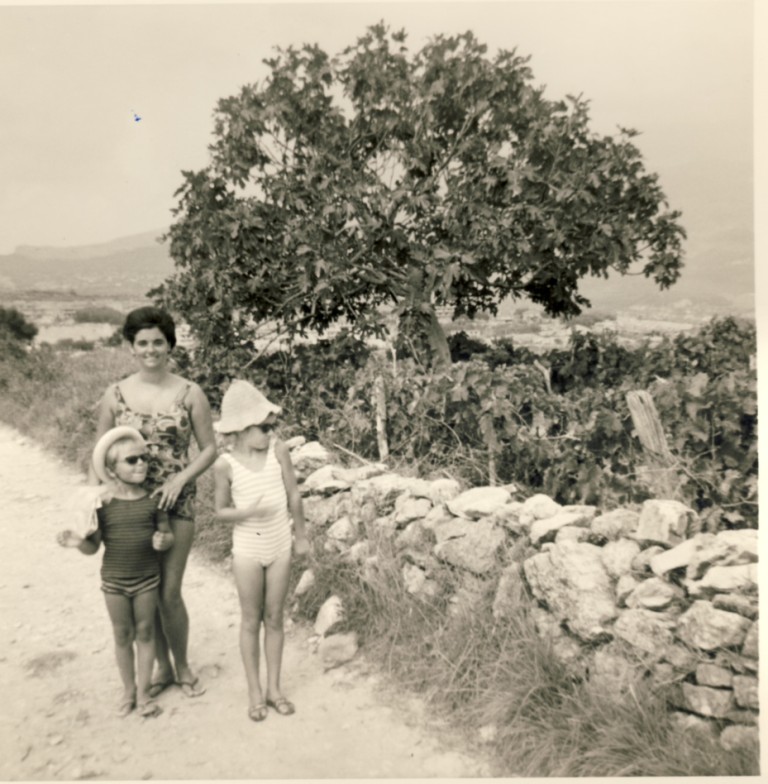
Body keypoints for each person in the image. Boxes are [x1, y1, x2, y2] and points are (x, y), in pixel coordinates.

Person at [90, 306, 217, 699]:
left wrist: (181, 478)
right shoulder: (114, 395)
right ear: (131, 346)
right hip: (129, 505)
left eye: (158, 342)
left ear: (170, 345)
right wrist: (91, 505)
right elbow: (97, 453)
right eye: (142, 342)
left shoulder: (190, 393)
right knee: (146, 591)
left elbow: (209, 449)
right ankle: (161, 667)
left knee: (168, 591)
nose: (150, 350)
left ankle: (183, 667)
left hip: (176, 502)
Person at [58, 426, 176, 718]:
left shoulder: (154, 500)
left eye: (144, 458)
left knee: (146, 632)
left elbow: (167, 534)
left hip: (147, 579)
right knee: (122, 634)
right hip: (114, 582)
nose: (141, 464)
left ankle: (144, 693)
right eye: (131, 460)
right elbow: (93, 547)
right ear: (112, 469)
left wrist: (163, 541)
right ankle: (128, 691)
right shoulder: (103, 506)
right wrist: (78, 542)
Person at [212, 380, 310, 722]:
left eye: (272, 427)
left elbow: (293, 494)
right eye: (263, 428)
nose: (271, 433)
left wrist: (301, 536)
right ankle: (254, 691)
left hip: (279, 543)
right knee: (251, 620)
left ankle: (274, 688)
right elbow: (220, 511)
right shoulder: (225, 465)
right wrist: (247, 512)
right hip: (248, 549)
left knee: (275, 617)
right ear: (240, 429)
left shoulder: (278, 451)